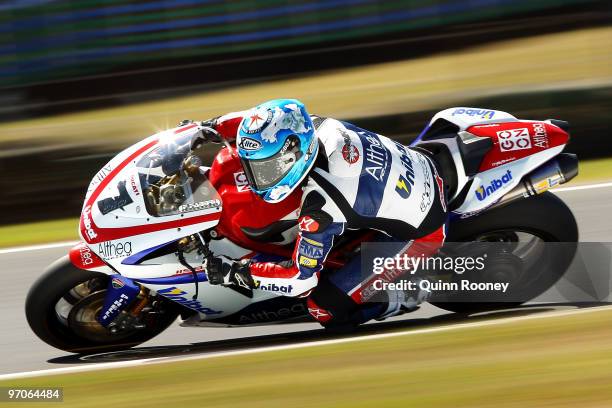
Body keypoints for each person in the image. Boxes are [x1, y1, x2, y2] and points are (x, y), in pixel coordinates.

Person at [196, 99, 448, 328]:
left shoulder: (321, 205)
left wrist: (236, 272)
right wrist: (209, 126)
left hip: (420, 234)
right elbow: (261, 121)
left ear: (295, 153)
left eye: (267, 167)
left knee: (324, 308)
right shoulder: (313, 126)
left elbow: (299, 279)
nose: (258, 178)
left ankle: (409, 293)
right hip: (415, 166)